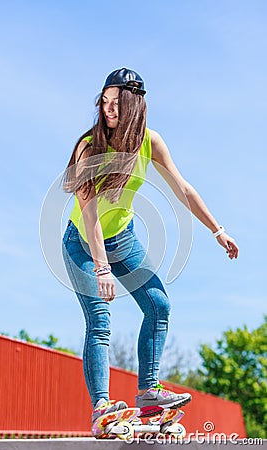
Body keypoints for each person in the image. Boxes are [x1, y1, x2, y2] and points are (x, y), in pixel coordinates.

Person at [61, 68, 239, 426]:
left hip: (123, 240)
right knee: (99, 321)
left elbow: (183, 189)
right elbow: (90, 212)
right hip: (82, 244)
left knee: (158, 305)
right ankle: (101, 408)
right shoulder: (88, 146)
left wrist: (217, 229)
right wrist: (101, 267)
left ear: (134, 105)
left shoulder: (150, 141)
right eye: (105, 103)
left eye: (116, 103)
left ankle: (148, 393)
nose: (109, 110)